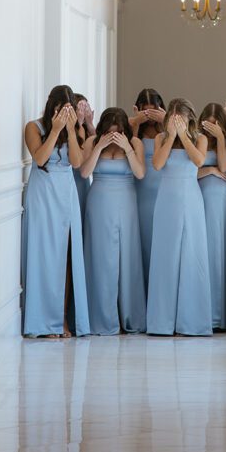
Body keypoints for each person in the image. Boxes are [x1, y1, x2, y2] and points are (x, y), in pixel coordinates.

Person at [22, 85, 89, 337]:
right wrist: (56, 129)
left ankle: (61, 319)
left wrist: (71, 130)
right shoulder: (33, 127)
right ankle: (42, 322)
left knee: (66, 258)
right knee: (44, 257)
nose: (64, 113)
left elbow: (76, 162)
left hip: (66, 194)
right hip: (42, 195)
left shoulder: (75, 129)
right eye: (60, 108)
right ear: (51, 106)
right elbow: (39, 159)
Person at [146, 98, 212, 336]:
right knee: (166, 256)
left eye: (180, 120)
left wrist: (183, 136)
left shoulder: (200, 139)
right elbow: (157, 164)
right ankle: (162, 322)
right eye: (172, 120)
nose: (176, 124)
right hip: (167, 199)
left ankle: (191, 321)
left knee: (191, 255)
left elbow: (199, 160)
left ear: (189, 119)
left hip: (191, 198)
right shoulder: (160, 139)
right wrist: (171, 137)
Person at [81, 108, 147, 335]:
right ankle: (102, 318)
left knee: (127, 258)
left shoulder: (135, 143)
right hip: (99, 202)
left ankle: (129, 316)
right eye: (110, 132)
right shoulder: (92, 141)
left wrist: (127, 147)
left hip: (126, 202)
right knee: (101, 258)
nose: (114, 136)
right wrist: (99, 146)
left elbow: (140, 173)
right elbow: (84, 172)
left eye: (118, 132)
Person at [197, 103, 226, 330]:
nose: (211, 128)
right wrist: (210, 171)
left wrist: (221, 138)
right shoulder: (196, 140)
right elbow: (189, 170)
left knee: (221, 252)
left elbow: (224, 164)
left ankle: (221, 316)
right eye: (208, 123)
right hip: (199, 196)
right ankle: (205, 312)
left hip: (222, 200)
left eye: (216, 124)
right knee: (204, 252)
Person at [129, 88, 166, 288]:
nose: (149, 115)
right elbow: (130, 149)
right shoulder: (132, 124)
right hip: (140, 188)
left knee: (161, 241)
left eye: (154, 110)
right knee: (141, 240)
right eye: (146, 110)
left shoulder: (166, 129)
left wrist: (165, 120)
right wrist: (136, 123)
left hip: (163, 187)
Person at [72, 93, 95, 221]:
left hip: (83, 181)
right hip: (71, 178)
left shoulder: (88, 131)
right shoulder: (71, 130)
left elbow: (99, 147)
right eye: (81, 108)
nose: (84, 111)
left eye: (86, 108)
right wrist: (78, 124)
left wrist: (90, 124)